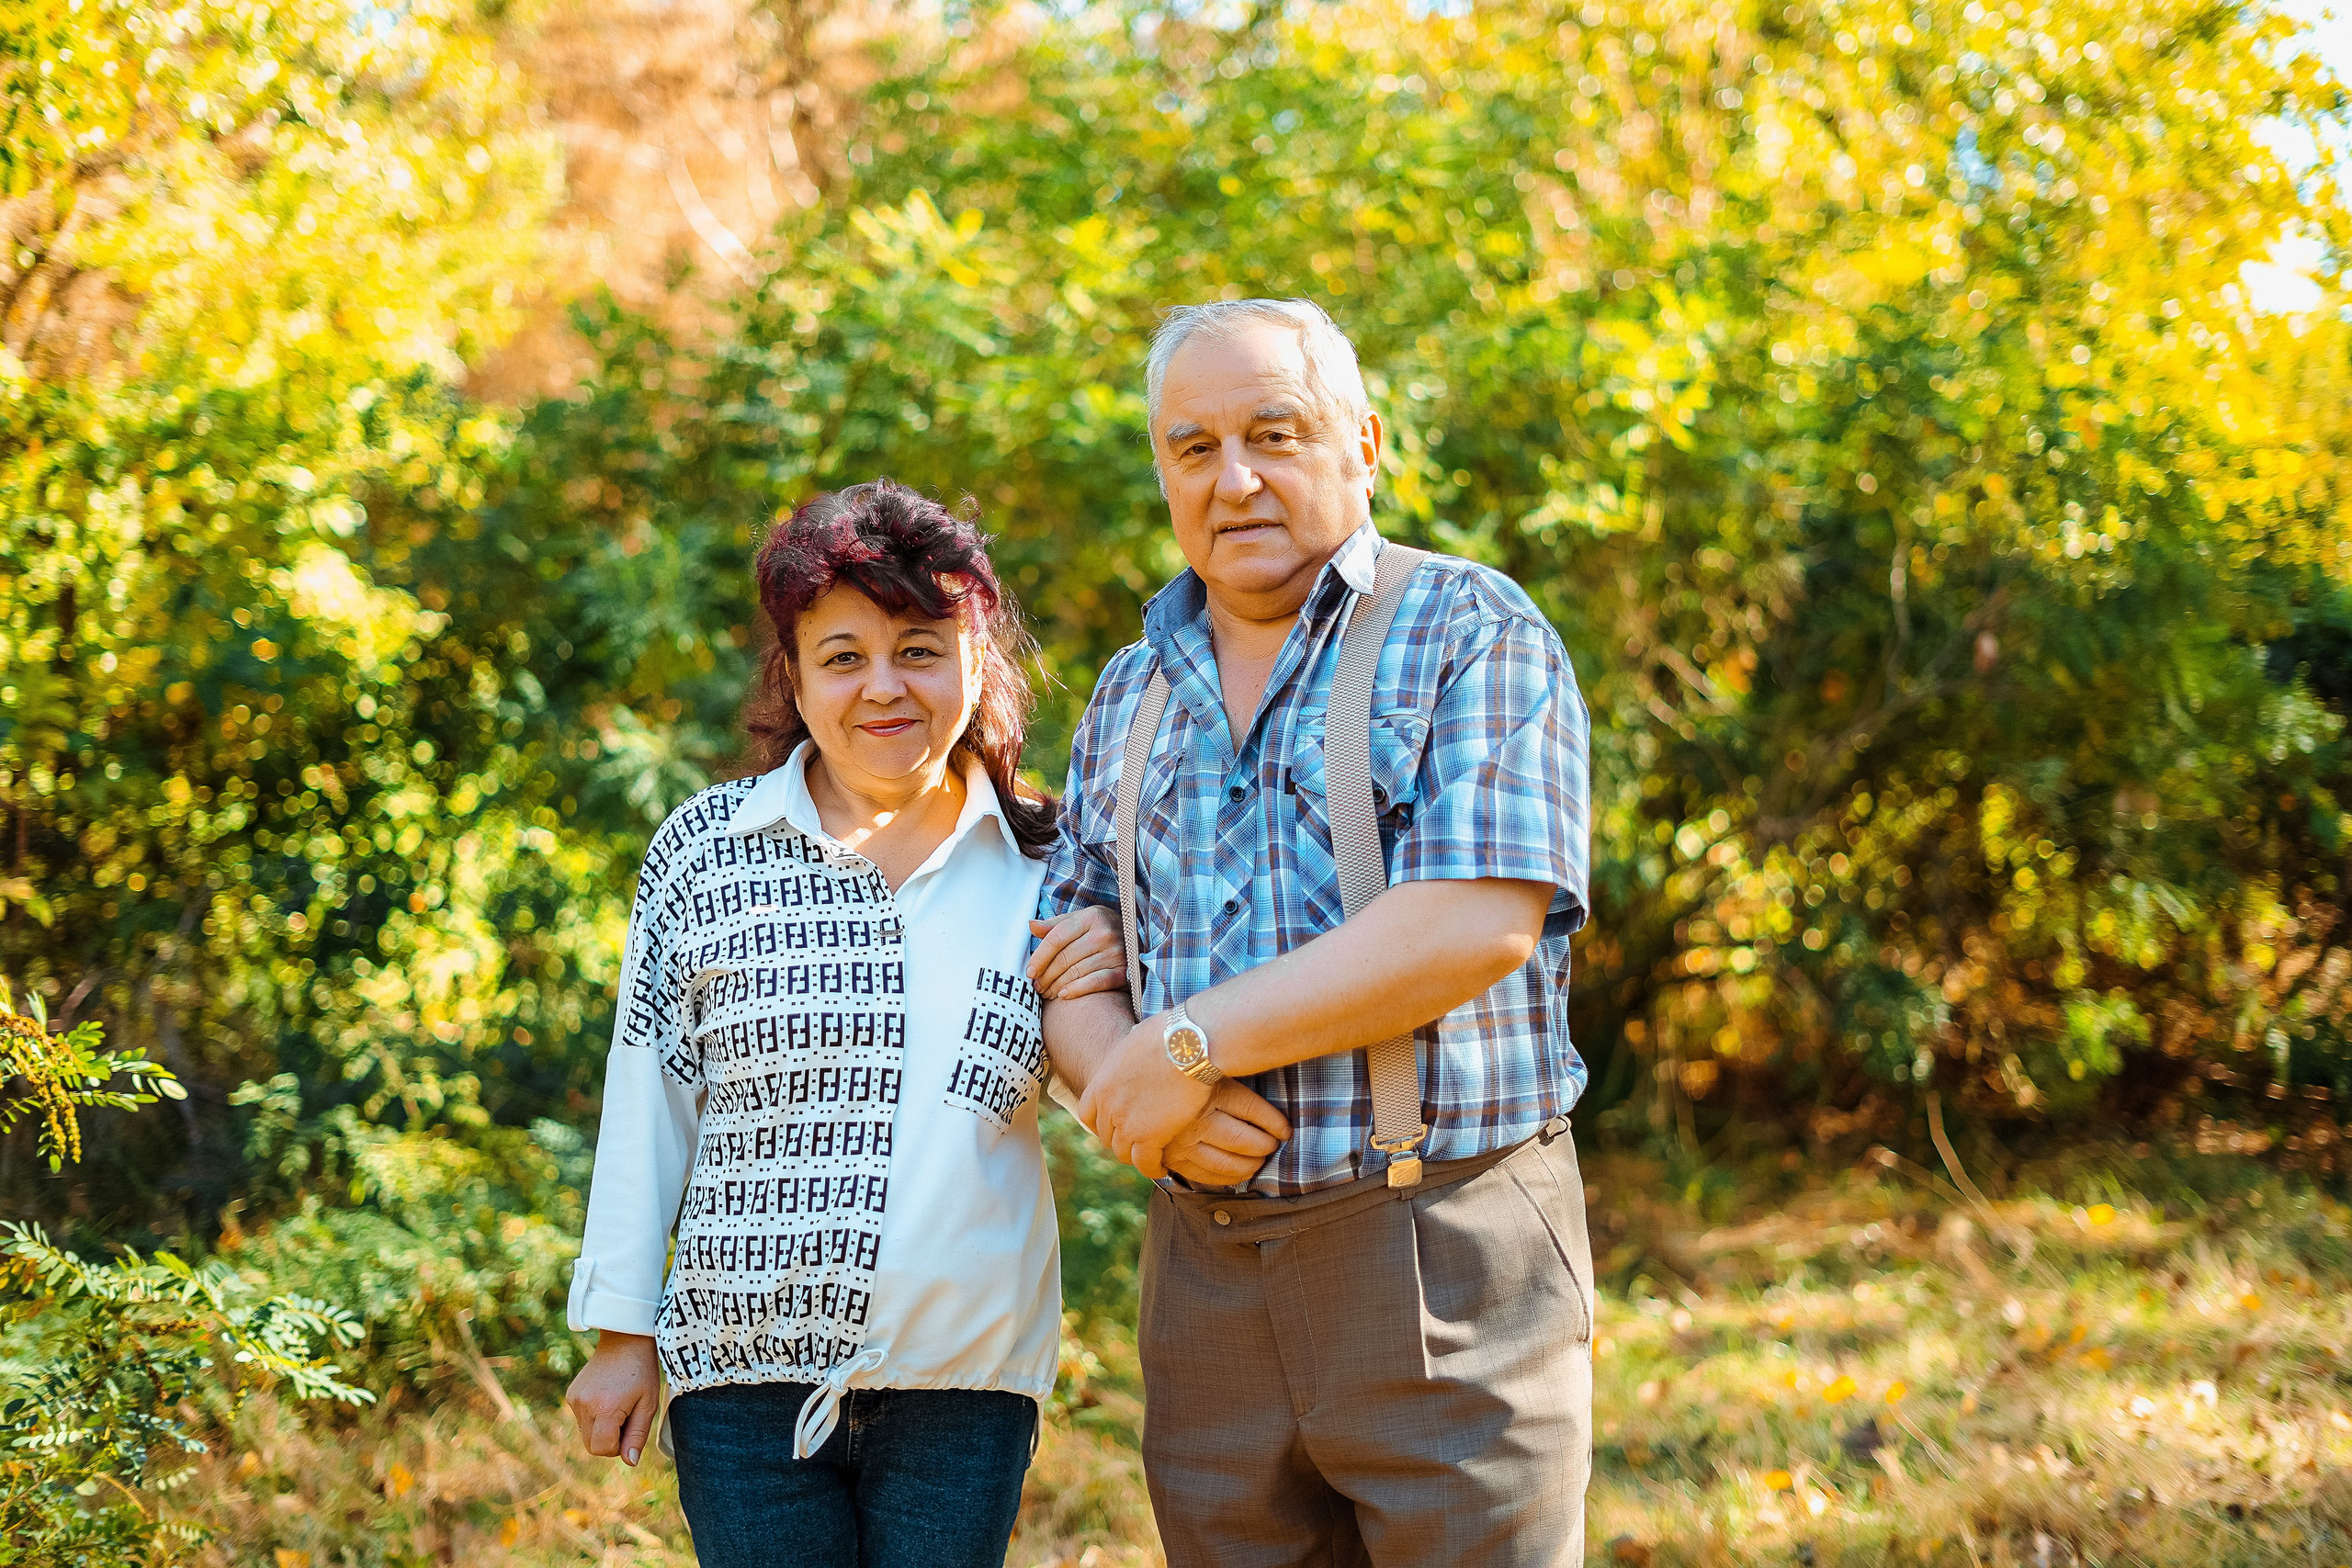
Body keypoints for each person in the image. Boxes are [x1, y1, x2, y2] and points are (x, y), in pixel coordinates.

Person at [1036, 299, 1597, 1565]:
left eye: (1274, 434)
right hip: (1207, 1286)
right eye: (1193, 447)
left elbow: (1471, 919)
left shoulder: (1470, 630)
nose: (1234, 479)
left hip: (1443, 1255)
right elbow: (1070, 950)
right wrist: (1132, 1078)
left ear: (1363, 443)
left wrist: (1178, 1046)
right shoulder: (1130, 686)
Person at [561, 479, 1134, 1568]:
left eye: (920, 649)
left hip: (964, 1384)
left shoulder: (1053, 866)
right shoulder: (706, 853)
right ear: (795, 674)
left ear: (977, 662)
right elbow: (649, 1098)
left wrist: (1114, 969)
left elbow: (1104, 1082)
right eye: (843, 655)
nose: (884, 688)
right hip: (740, 1378)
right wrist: (622, 1336)